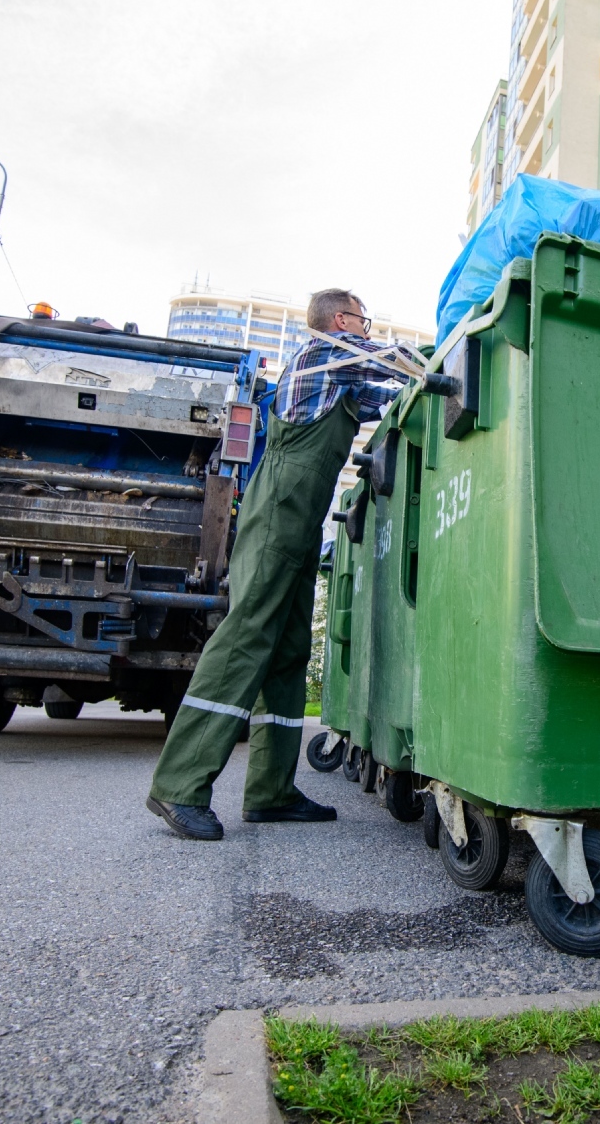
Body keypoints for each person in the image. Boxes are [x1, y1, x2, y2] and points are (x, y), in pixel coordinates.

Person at [146, 289, 421, 840]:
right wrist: (435, 362)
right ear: (342, 320)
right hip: (276, 519)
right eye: (362, 320)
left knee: (289, 648)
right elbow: (392, 365)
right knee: (246, 635)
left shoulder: (337, 376)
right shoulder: (325, 353)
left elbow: (378, 398)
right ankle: (178, 787)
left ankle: (271, 791)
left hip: (299, 525)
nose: (365, 330)